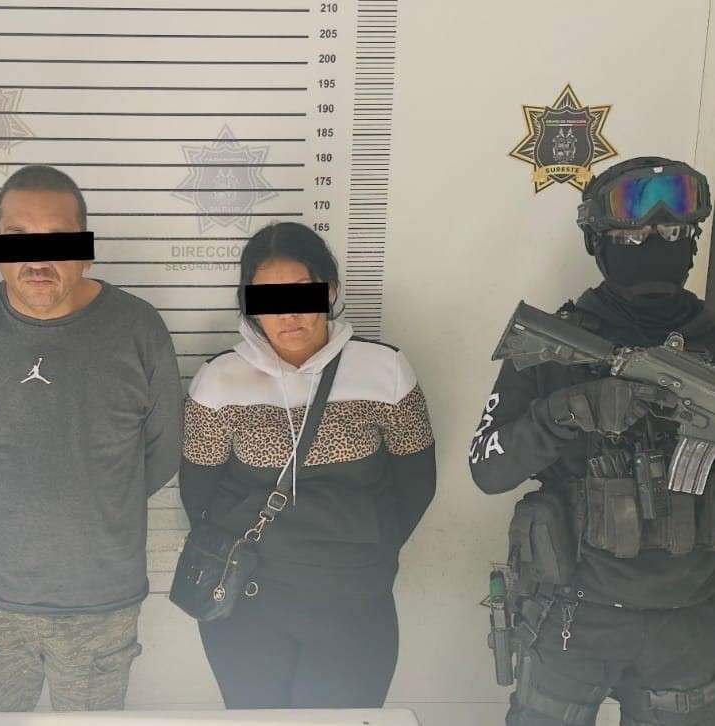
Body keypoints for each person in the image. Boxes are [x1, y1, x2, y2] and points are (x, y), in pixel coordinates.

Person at [0, 164, 183, 712]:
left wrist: (87, 507)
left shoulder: (138, 329)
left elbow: (160, 455)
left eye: (57, 238)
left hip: (99, 604)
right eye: (17, 238)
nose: (37, 258)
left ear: (86, 250)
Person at [469, 156, 715, 726]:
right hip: (572, 617)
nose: (653, 241)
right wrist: (568, 411)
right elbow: (487, 468)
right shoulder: (558, 344)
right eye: (632, 234)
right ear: (598, 241)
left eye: (672, 231)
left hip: (691, 622)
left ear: (693, 240)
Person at [179, 221, 435, 709]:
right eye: (268, 297)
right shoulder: (219, 381)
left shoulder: (385, 371)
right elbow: (199, 496)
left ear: (330, 290)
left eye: (302, 292)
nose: (289, 313)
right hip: (248, 603)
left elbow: (417, 484)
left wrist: (369, 551)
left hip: (354, 601)